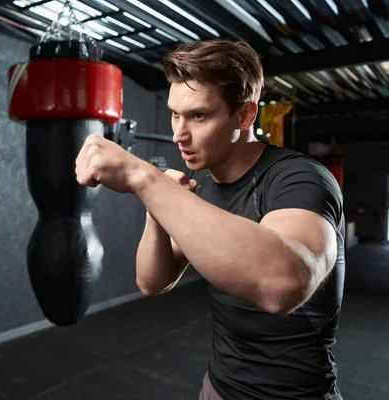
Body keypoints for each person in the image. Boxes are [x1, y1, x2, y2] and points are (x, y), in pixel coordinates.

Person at [74, 39, 345, 400]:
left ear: (246, 115)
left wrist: (143, 177)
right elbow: (153, 281)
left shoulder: (299, 179)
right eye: (174, 114)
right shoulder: (200, 184)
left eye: (198, 116)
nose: (178, 134)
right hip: (218, 387)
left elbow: (282, 284)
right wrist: (157, 207)